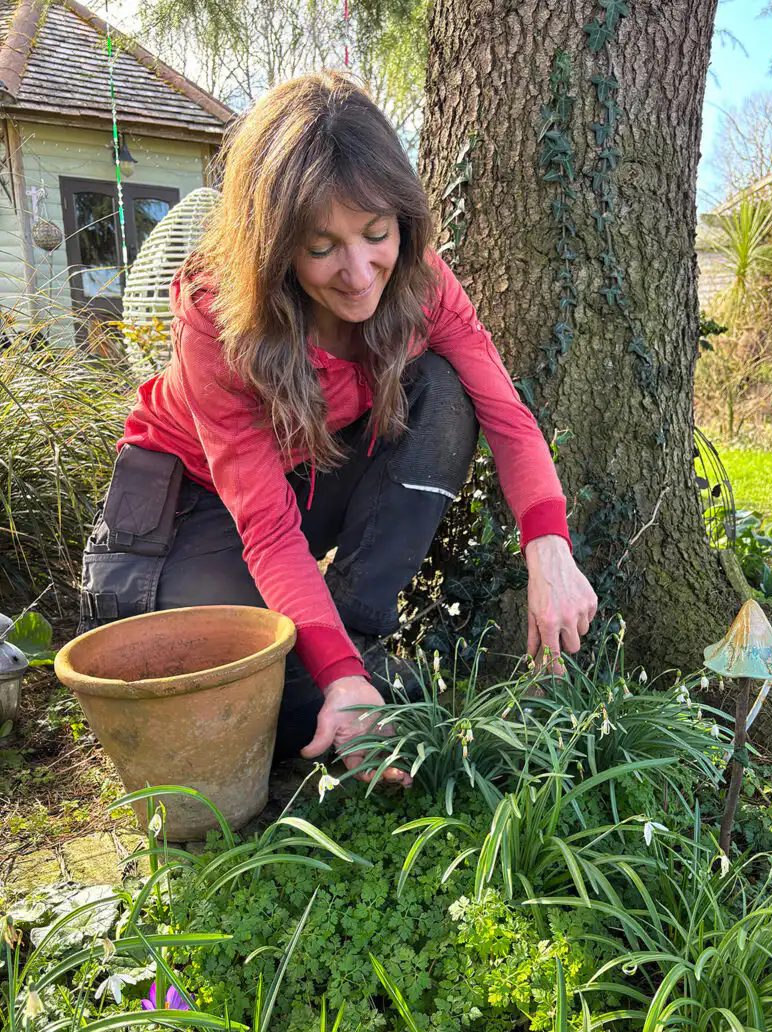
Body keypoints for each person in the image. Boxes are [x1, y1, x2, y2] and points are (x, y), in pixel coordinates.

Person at [79, 71, 598, 784]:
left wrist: (548, 545)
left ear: (403, 221)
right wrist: (338, 683)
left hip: (304, 482)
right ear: (273, 247)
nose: (358, 273)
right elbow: (263, 524)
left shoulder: (422, 283)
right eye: (321, 247)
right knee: (252, 698)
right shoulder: (217, 313)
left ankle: (353, 643)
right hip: (183, 511)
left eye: (376, 233)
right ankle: (340, 682)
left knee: (446, 392)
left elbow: (507, 415)